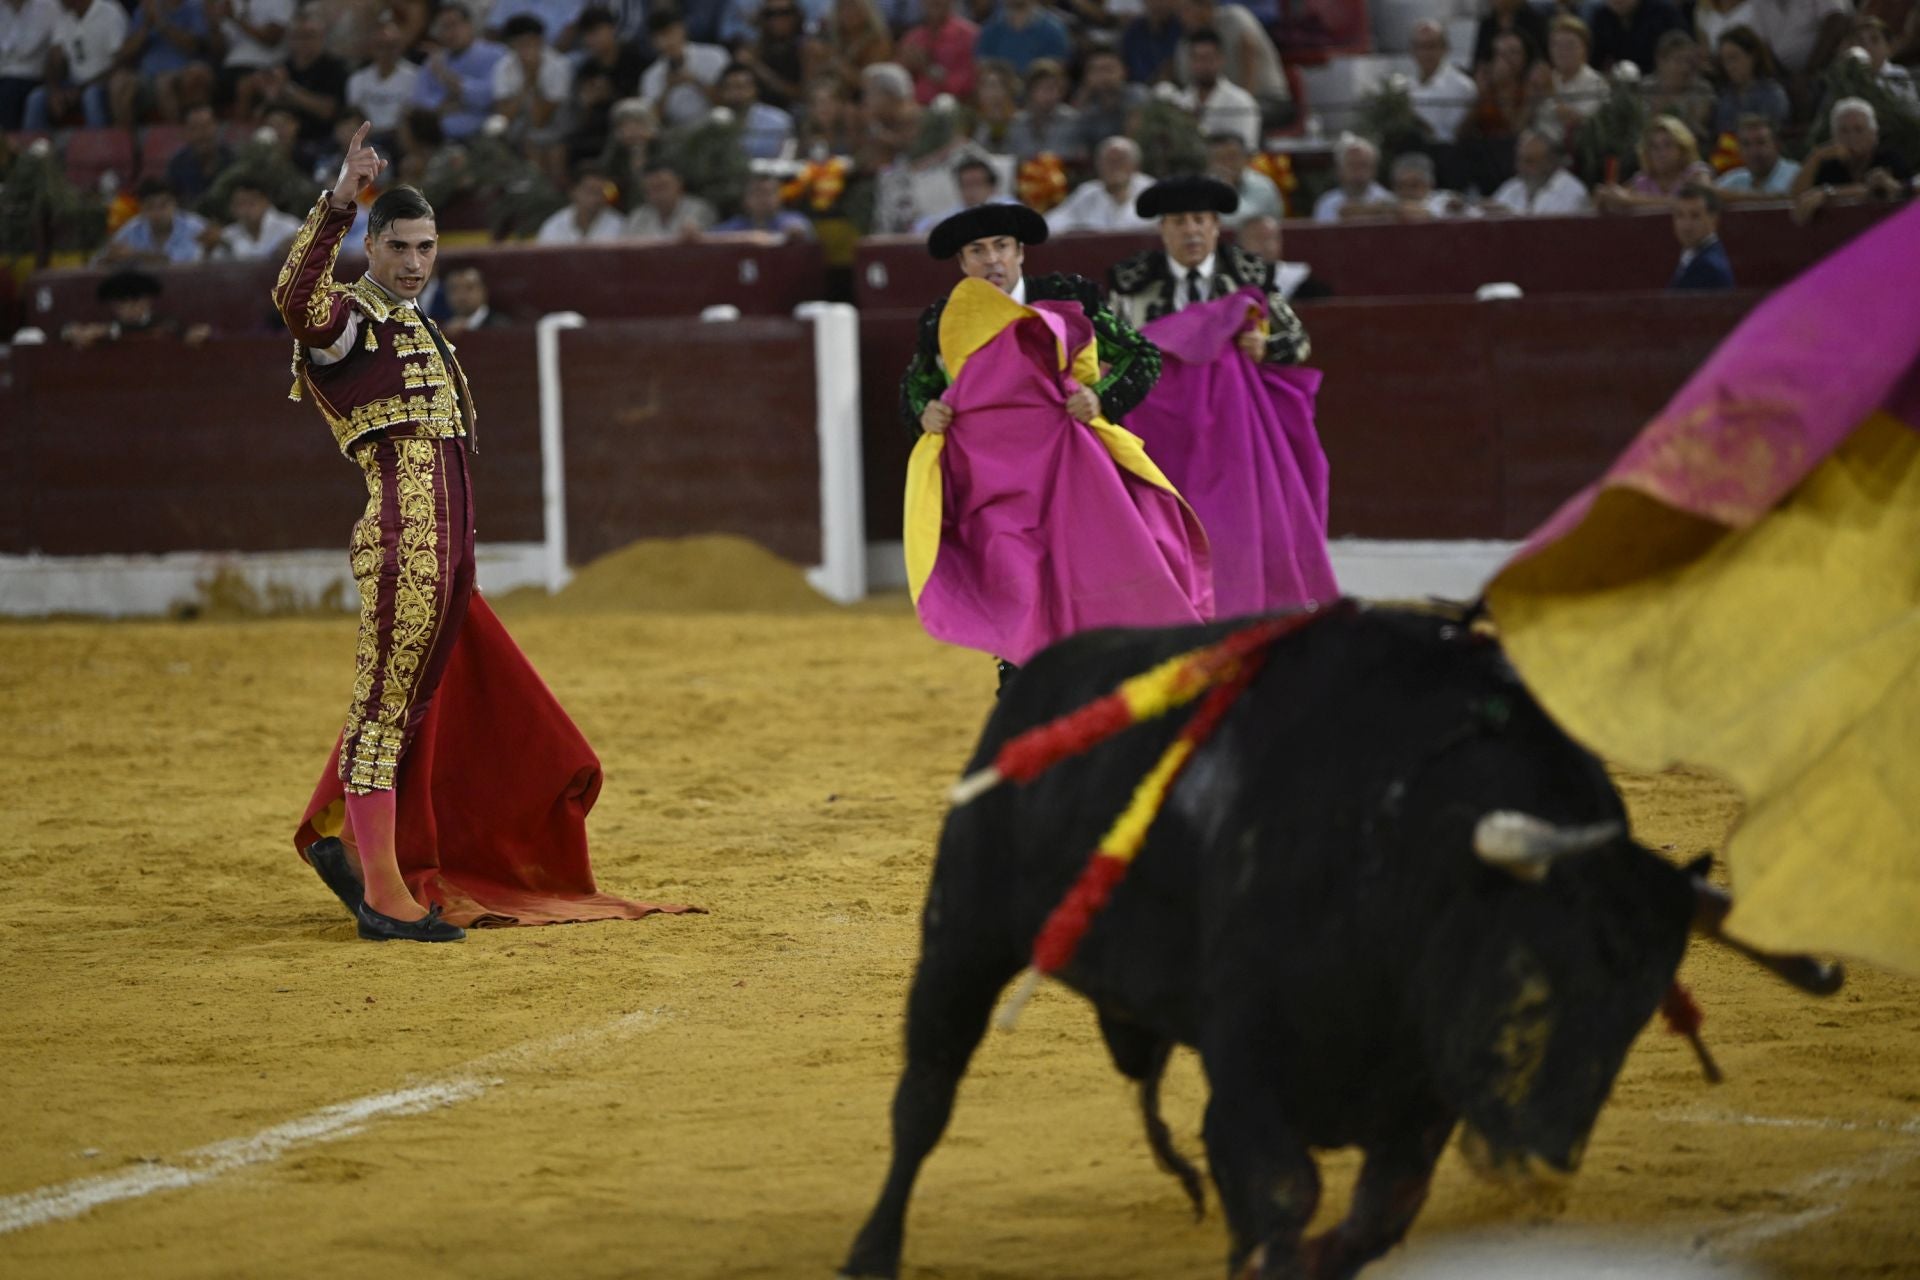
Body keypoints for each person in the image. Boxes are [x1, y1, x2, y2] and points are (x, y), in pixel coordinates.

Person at [901, 201, 1194, 685]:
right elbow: (916, 388)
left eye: (1001, 247)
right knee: (1016, 583)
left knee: (1091, 574)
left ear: (1020, 253)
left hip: (1070, 469)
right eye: (977, 251)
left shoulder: (1066, 295)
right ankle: (1020, 685)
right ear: (962, 264)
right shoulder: (943, 319)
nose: (991, 260)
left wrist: (1101, 399)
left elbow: (1140, 355)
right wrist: (924, 412)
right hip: (993, 483)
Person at [1107, 172, 1308, 364]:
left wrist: (1267, 348)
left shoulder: (1248, 275)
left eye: (1199, 220)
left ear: (1216, 226)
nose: (1191, 230)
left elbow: (1299, 339)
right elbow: (1104, 349)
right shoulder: (1132, 282)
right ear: (1162, 229)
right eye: (1179, 222)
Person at [1791, 97, 1915, 220]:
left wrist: (1828, 194)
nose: (1852, 137)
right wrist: (1815, 157)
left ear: (1874, 134)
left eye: (1859, 129)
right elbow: (1797, 198)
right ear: (1834, 136)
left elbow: (1877, 191)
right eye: (1843, 131)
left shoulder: (1890, 159)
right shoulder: (1829, 165)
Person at [21, 0, 127, 128]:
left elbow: (122, 64)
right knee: (36, 98)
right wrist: (55, 90)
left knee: (91, 96)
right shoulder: (64, 17)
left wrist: (80, 90)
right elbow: (53, 60)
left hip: (104, 84)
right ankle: (35, 147)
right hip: (73, 84)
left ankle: (99, 146)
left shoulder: (109, 12)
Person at [411, 2, 506, 141]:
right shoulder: (434, 61)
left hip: (480, 137)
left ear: (469, 26)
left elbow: (489, 97)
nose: (450, 33)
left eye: (454, 25)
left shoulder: (496, 54)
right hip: (436, 138)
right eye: (444, 27)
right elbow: (418, 101)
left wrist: (450, 81)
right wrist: (443, 107)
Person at [1595, 113, 1714, 211]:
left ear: (1682, 149)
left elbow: (1696, 201)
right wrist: (1606, 198)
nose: (1660, 153)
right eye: (1654, 147)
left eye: (1668, 145)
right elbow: (1617, 202)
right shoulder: (1643, 180)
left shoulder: (1696, 173)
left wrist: (1629, 200)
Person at [61, 268, 210, 346]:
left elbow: (199, 332)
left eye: (135, 301)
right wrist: (71, 333)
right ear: (114, 305)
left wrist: (199, 333)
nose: (129, 308)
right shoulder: (103, 320)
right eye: (122, 303)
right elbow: (56, 332)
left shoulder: (168, 323)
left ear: (147, 301)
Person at [1044, 134, 1154, 232]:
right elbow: (1053, 222)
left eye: (1120, 161)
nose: (1114, 167)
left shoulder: (1151, 191)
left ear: (1135, 166)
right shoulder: (1087, 193)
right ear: (1098, 166)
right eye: (1108, 161)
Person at [1174, 28, 1260, 150]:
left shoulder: (1242, 102)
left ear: (1221, 60)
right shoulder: (1179, 102)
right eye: (1197, 58)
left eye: (1208, 58)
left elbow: (1247, 150)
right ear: (1190, 61)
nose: (1203, 65)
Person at [640, 5, 727, 125]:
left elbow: (727, 103)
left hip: (716, 125)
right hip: (678, 135)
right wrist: (667, 89)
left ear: (682, 29)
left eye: (670, 33)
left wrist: (695, 81)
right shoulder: (651, 75)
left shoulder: (715, 56)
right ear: (653, 42)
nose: (666, 41)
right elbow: (651, 121)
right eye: (659, 37)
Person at [101, 176, 209, 265]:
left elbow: (178, 265)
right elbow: (98, 263)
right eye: (150, 206)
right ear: (141, 209)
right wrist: (110, 259)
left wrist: (134, 255)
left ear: (175, 204)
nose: (157, 213)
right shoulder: (132, 229)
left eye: (164, 205)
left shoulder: (195, 227)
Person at [1485, 126, 1593, 213]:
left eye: (1530, 161)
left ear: (1551, 162)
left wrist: (1510, 217)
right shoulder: (1514, 186)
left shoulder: (1572, 191)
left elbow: (1553, 231)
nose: (1522, 168)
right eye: (1520, 160)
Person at [1711, 24, 1790, 136]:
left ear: (1753, 56)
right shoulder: (1724, 97)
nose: (1729, 66)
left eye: (1734, 58)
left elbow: (1774, 134)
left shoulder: (1772, 94)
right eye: (1725, 61)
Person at [1234, 213, 1332, 300]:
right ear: (1239, 244)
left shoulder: (1303, 284)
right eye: (1258, 238)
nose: (1268, 246)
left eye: (1272, 238)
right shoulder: (1229, 283)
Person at [1408, 19, 1476, 142]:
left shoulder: (1461, 86)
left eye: (1432, 46)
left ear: (1445, 48)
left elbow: (1450, 136)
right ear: (1412, 51)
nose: (1426, 53)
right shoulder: (1404, 87)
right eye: (1421, 47)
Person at [714, 58, 795, 159]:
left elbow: (787, 159)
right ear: (721, 92)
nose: (735, 94)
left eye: (741, 87)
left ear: (755, 89)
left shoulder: (779, 121)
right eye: (729, 87)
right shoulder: (713, 123)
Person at [208, 176, 301, 257]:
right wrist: (208, 249)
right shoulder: (228, 236)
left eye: (251, 203)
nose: (246, 210)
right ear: (232, 209)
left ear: (266, 201)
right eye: (241, 204)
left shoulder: (289, 227)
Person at [624, 159, 717, 237]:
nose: (659, 194)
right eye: (652, 189)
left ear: (679, 184)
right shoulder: (638, 217)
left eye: (663, 186)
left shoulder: (700, 210)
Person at [1206, 131, 1282, 225]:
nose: (1227, 164)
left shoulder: (1262, 185)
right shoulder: (1200, 186)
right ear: (1208, 163)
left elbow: (1239, 223)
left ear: (1245, 158)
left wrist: (1227, 190)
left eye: (1232, 157)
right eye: (1219, 158)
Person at [536, 162, 626, 241]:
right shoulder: (554, 226)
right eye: (590, 191)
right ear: (573, 191)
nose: (596, 198)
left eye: (601, 192)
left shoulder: (620, 225)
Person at [712, 168, 816, 235]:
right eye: (757, 193)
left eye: (768, 193)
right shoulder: (736, 225)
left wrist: (794, 234)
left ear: (779, 197)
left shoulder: (793, 220)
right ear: (745, 199)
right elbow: (712, 238)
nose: (763, 199)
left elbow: (801, 228)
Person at [1717, 113, 1800, 197]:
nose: (1754, 151)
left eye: (1761, 142)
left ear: (1776, 145)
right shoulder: (1737, 178)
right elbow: (1711, 193)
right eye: (1746, 144)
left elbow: (1777, 198)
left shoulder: (1795, 175)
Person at [1311, 133, 1390, 222]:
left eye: (1363, 165)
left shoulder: (1388, 201)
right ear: (1339, 170)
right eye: (1352, 165)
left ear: (1374, 169)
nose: (1358, 172)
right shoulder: (1326, 204)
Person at [1669, 181, 1734, 288]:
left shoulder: (1707, 266)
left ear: (1713, 220)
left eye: (1695, 216)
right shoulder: (1697, 255)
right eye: (1680, 215)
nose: (1686, 226)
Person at [442, 262, 508, 329]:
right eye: (454, 289)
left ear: (483, 291)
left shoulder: (500, 326)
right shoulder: (439, 328)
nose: (461, 296)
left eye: (469, 288)